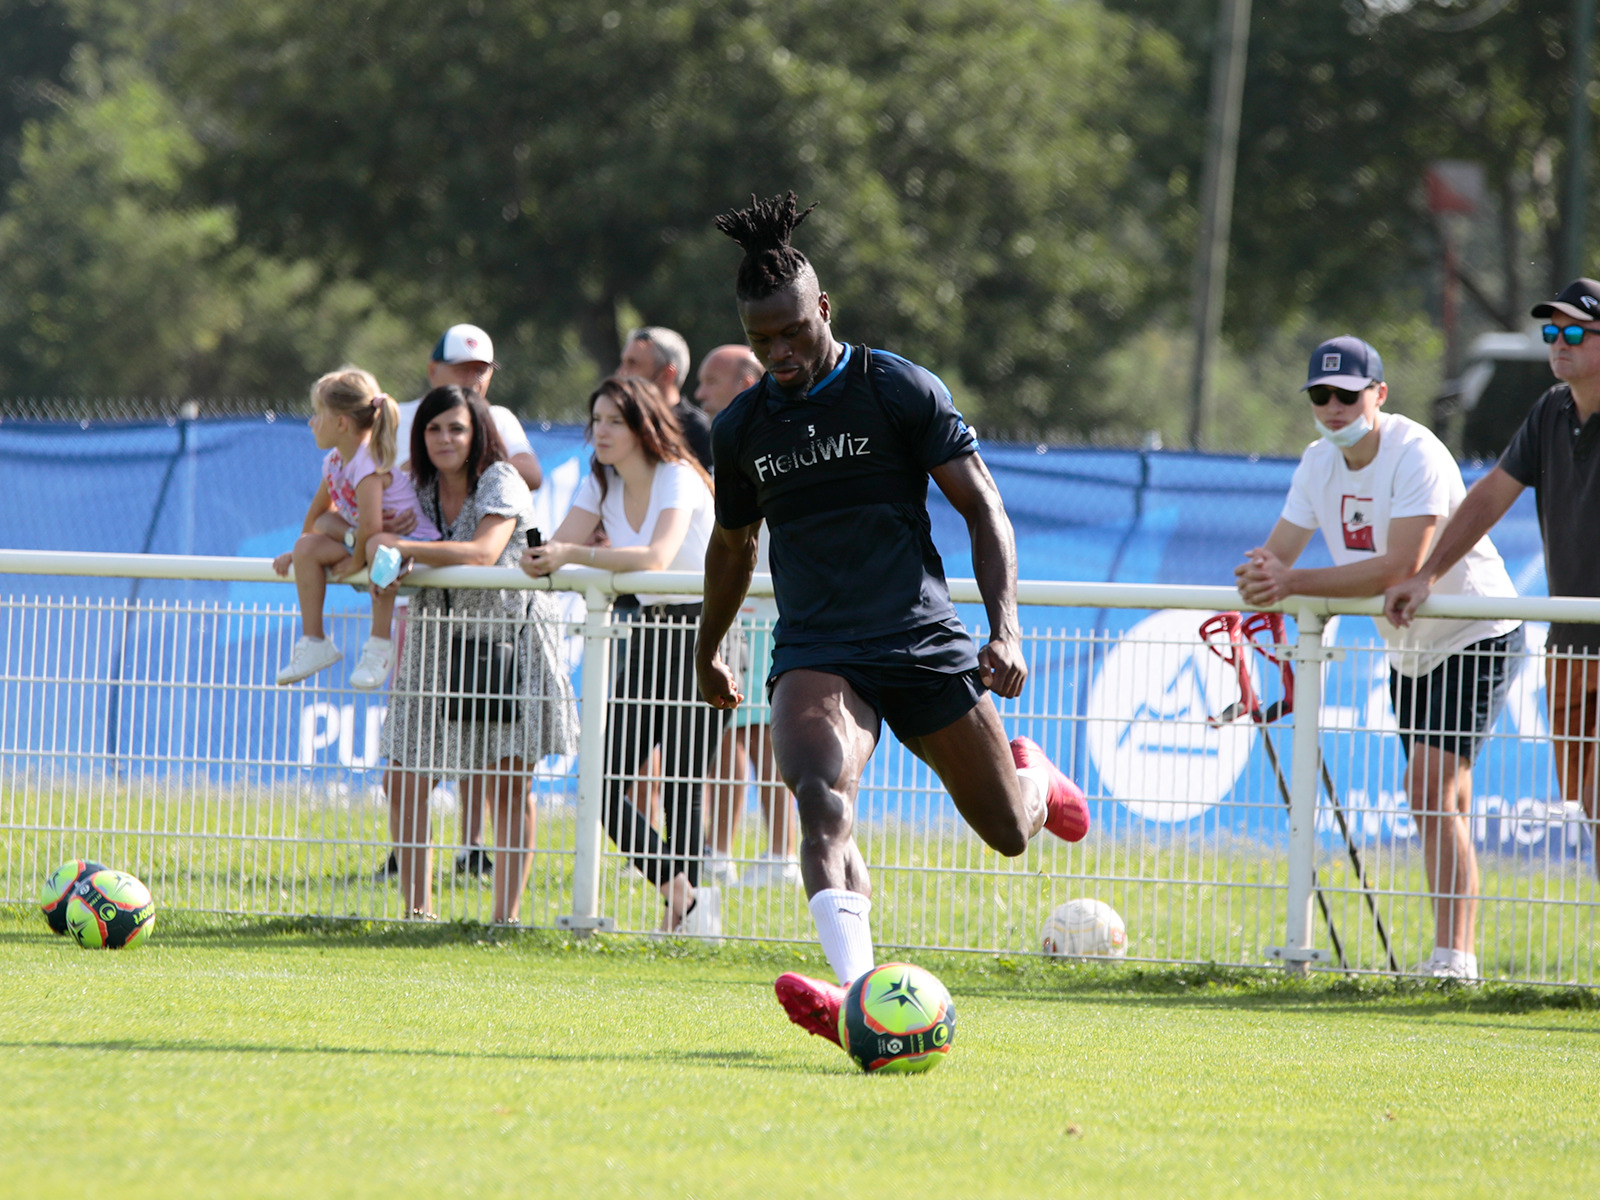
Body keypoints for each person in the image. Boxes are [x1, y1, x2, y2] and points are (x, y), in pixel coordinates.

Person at [693, 192, 1090, 1045]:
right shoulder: (742, 427)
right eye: (762, 342)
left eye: (792, 333)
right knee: (817, 792)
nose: (780, 354)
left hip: (920, 640)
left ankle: (1037, 782)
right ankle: (860, 1000)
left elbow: (984, 509)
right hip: (818, 650)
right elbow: (732, 547)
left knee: (1009, 834)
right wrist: (709, 646)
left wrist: (1006, 627)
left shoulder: (896, 387)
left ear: (822, 309)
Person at [1236, 336, 1523, 982]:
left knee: (1427, 790)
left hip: (1472, 630)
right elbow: (1276, 555)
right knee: (1442, 798)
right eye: (1320, 395)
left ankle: (1455, 960)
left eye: (1347, 394)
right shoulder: (1315, 463)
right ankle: (1453, 953)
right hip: (1408, 648)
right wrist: (1257, 576)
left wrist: (1290, 583)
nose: (1333, 406)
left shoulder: (1415, 449)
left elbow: (1403, 565)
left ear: (1379, 395)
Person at [1387, 277, 1600, 883]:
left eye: (1575, 332)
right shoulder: (1550, 411)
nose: (1558, 343)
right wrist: (1427, 574)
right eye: (1551, 332)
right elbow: (1488, 499)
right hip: (1572, 642)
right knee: (1590, 807)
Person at [521, 375, 727, 934]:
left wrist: (568, 552)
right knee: (603, 781)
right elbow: (559, 555)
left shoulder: (678, 475)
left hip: (706, 632)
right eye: (596, 421)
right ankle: (681, 892)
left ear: (642, 425)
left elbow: (656, 557)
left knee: (684, 783)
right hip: (649, 630)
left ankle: (686, 915)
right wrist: (541, 558)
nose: (601, 432)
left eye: (614, 420)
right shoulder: (600, 481)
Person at [373, 384, 576, 923]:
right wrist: (357, 541)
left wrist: (401, 550)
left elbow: (483, 554)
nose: (444, 438)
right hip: (435, 642)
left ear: (477, 433)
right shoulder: (412, 486)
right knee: (403, 775)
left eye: (456, 428)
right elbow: (358, 531)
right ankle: (417, 914)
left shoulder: (502, 478)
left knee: (509, 782)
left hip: (509, 640)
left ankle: (504, 921)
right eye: (434, 428)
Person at [380, 323, 541, 880]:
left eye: (480, 373)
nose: (471, 382)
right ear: (432, 371)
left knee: (499, 769)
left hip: (497, 634)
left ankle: (477, 858)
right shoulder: (396, 424)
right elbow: (353, 498)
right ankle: (412, 886)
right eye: (460, 371)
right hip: (424, 623)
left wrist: (404, 544)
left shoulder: (498, 457)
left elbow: (488, 541)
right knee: (406, 766)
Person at [695, 344, 800, 888]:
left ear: (747, 379)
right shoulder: (731, 434)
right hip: (739, 607)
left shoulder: (777, 427)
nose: (699, 393)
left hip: (773, 609)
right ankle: (721, 851)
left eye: (711, 381)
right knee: (731, 733)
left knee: (763, 736)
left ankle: (780, 855)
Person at [273, 367, 441, 689]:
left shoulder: (368, 461)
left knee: (379, 545)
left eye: (317, 413)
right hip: (367, 543)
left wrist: (354, 561)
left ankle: (379, 644)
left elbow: (372, 524)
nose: (311, 422)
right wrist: (298, 550)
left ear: (341, 423)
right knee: (310, 544)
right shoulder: (335, 462)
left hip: (404, 551)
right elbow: (317, 515)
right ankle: (315, 641)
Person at [621, 326, 714, 471]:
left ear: (667, 374)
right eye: (623, 363)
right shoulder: (622, 424)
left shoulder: (698, 431)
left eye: (632, 364)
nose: (621, 373)